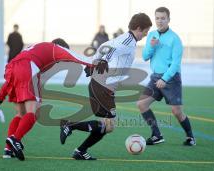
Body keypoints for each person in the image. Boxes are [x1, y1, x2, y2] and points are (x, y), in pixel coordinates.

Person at [0, 38, 99, 161]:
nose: (60, 61)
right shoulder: (56, 48)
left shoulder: (36, 48)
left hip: (13, 67)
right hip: (28, 68)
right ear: (61, 47)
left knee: (20, 113)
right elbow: (78, 57)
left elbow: (10, 79)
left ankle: (8, 149)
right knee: (33, 112)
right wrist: (95, 64)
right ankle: (15, 139)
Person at [60, 13, 152, 160]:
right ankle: (70, 126)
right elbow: (111, 50)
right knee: (108, 126)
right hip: (103, 86)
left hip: (101, 85)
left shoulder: (123, 38)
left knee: (105, 126)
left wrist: (94, 62)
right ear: (139, 28)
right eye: (146, 31)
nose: (146, 35)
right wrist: (101, 62)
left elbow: (104, 46)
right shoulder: (128, 40)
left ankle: (80, 150)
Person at [137, 7, 196, 146]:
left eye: (163, 18)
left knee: (177, 111)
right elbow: (145, 56)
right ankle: (157, 135)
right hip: (155, 77)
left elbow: (176, 64)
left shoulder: (175, 39)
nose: (160, 21)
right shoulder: (151, 35)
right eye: (157, 18)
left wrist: (165, 79)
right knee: (141, 104)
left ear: (168, 19)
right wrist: (152, 46)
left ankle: (190, 137)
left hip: (171, 78)